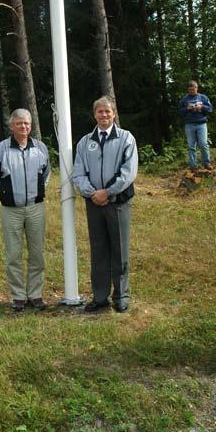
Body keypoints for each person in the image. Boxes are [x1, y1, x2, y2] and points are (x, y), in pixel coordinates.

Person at [73, 96, 138, 313]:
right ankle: (100, 297)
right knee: (98, 251)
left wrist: (107, 192)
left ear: (114, 114)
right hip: (94, 205)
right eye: (100, 112)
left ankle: (121, 296)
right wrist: (92, 193)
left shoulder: (126, 139)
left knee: (119, 250)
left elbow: (128, 173)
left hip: (117, 203)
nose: (104, 115)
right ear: (95, 115)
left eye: (107, 112)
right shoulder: (84, 142)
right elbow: (78, 173)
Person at [0, 109, 50, 312]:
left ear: (30, 126)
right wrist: (9, 194)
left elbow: (46, 174)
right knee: (14, 255)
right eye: (19, 124)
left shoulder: (40, 148)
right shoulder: (1, 149)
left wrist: (35, 193)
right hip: (11, 211)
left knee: (37, 253)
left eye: (26, 123)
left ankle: (35, 294)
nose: (23, 127)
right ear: (12, 126)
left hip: (35, 208)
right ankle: (18, 296)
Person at [178, 80, 213, 170]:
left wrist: (202, 107)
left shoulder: (203, 97)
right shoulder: (184, 99)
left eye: (193, 90)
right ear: (188, 90)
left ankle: (206, 163)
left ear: (197, 88)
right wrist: (187, 108)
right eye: (190, 90)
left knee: (203, 144)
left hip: (202, 124)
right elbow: (180, 112)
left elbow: (210, 109)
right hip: (189, 124)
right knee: (191, 146)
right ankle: (193, 166)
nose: (191, 91)